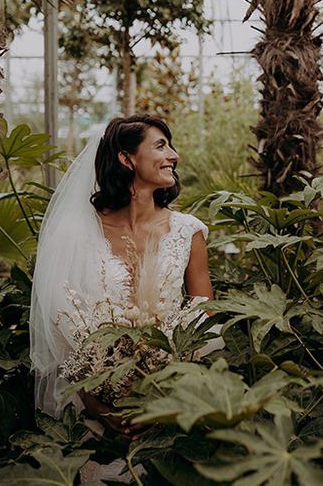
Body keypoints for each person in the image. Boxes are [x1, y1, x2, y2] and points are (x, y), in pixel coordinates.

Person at [30, 114, 215, 440]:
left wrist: (164, 399)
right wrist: (96, 402)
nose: (174, 155)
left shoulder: (188, 232)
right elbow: (56, 323)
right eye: (161, 146)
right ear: (126, 159)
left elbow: (205, 320)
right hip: (90, 406)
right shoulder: (76, 233)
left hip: (170, 406)